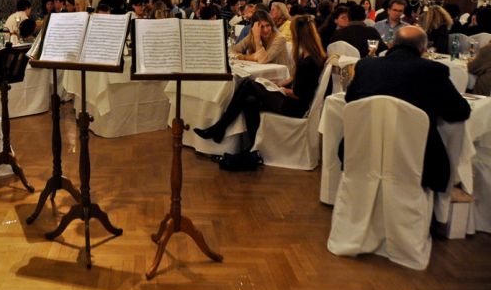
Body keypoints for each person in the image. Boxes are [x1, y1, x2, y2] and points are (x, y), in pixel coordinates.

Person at [345, 25, 470, 192]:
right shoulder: (433, 71)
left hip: (364, 148)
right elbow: (459, 111)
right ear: (423, 49)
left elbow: (350, 100)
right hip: (416, 157)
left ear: (391, 44)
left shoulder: (366, 66)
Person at [194, 15, 327, 155]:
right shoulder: (311, 55)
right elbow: (298, 80)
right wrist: (280, 84)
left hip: (295, 107)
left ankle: (220, 127)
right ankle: (251, 147)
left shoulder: (308, 62)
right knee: (249, 101)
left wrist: (279, 89)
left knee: (248, 84)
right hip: (294, 102)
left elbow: (299, 94)